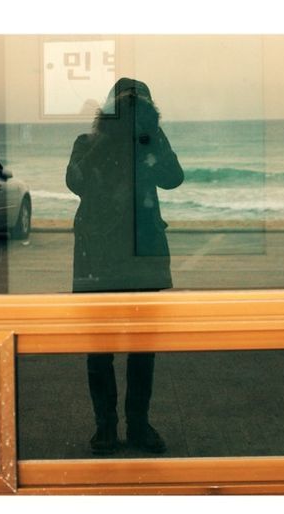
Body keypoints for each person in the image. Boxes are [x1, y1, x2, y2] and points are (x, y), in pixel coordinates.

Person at [66, 78, 184, 455]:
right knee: (99, 347)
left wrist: (151, 131)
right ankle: (105, 427)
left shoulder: (148, 141)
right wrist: (108, 135)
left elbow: (173, 179)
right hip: (98, 255)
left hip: (140, 252)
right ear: (108, 112)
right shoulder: (89, 144)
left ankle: (137, 425)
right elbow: (77, 181)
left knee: (142, 347)